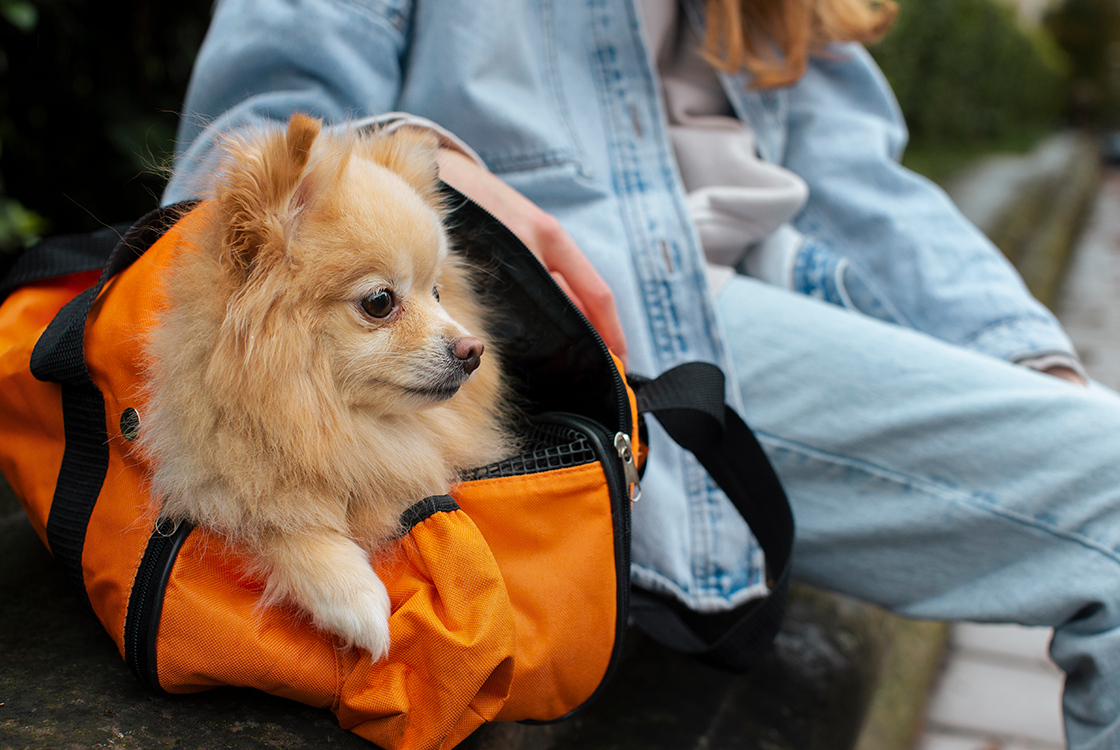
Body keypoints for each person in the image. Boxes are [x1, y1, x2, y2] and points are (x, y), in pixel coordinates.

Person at [164, 1, 1120, 746]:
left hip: (771, 309)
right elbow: (233, 161)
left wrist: (1027, 357)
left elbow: (867, 189)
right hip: (614, 330)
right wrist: (444, 163)